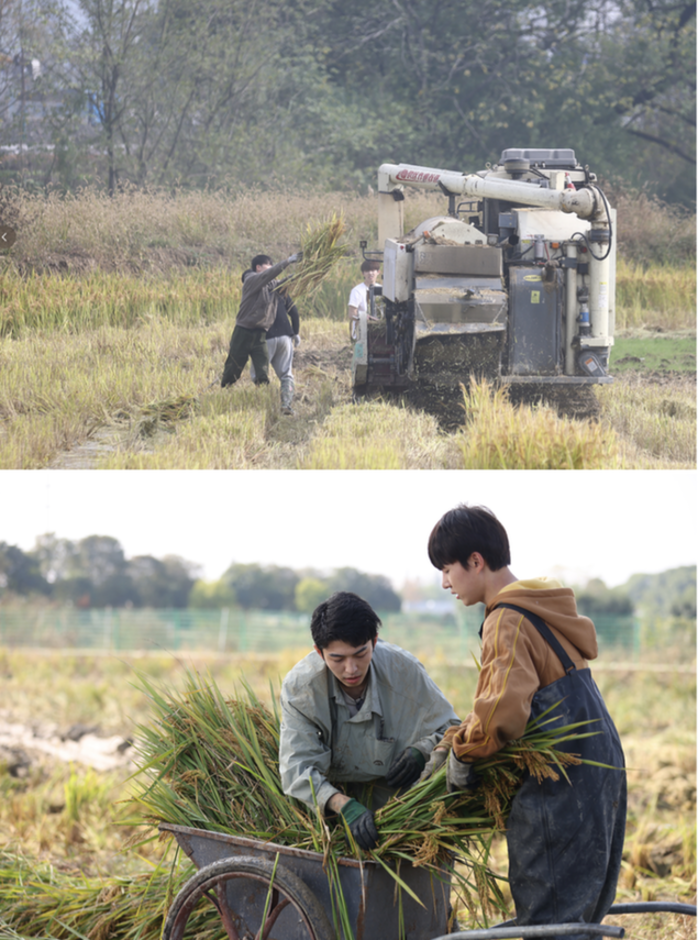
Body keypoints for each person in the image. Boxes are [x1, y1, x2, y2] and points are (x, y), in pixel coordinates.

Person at [420, 504, 626, 936]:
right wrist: (452, 739)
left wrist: (464, 753)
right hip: (599, 762)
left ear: (475, 561)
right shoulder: (540, 607)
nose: (444, 582)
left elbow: (502, 711)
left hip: (561, 778)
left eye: (446, 569)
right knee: (578, 909)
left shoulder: (506, 618)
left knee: (549, 915)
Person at [279, 591, 459, 851]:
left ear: (374, 641)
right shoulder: (301, 688)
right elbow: (296, 766)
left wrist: (421, 751)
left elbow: (452, 728)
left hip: (403, 806)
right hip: (332, 808)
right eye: (337, 659)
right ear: (319, 652)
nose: (351, 669)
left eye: (360, 654)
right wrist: (343, 805)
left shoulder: (404, 671)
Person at [221, 251, 301, 389]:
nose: (271, 268)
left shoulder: (271, 285)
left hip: (261, 334)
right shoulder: (251, 280)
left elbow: (283, 282)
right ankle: (225, 388)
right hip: (243, 332)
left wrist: (303, 273)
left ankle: (262, 392)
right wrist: (287, 261)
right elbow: (269, 275)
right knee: (234, 365)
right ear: (258, 268)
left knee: (262, 368)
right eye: (268, 265)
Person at [250, 289, 301, 415]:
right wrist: (295, 332)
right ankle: (286, 404)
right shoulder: (281, 289)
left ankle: (264, 405)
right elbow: (294, 313)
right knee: (286, 374)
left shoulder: (254, 289)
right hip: (285, 337)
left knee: (258, 373)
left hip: (265, 339)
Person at [347, 260, 381, 341]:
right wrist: (363, 318)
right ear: (363, 273)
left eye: (373, 270)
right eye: (367, 271)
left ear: (378, 272)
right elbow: (351, 314)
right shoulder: (357, 291)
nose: (370, 273)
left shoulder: (382, 289)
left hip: (380, 330)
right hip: (362, 332)